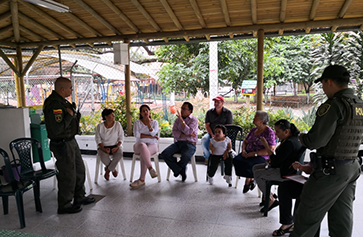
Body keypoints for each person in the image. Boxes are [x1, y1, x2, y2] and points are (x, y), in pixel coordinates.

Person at [290, 65, 363, 237]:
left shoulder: (334, 105)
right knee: (341, 219)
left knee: (306, 218)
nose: (323, 88)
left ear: (329, 81)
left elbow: (316, 141)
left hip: (330, 171)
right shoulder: (359, 104)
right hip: (351, 167)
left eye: (323, 84)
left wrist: (300, 136)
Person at [43, 77, 95, 214]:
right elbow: (56, 129)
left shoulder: (62, 102)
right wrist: (69, 115)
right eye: (70, 88)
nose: (72, 90)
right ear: (62, 89)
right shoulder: (54, 104)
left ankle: (79, 197)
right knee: (68, 174)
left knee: (79, 170)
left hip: (70, 141)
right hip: (62, 144)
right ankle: (64, 204)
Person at [253, 119, 304, 213]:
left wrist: (267, 147)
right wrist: (272, 158)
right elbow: (281, 158)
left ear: (286, 131)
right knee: (255, 168)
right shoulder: (290, 138)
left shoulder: (290, 143)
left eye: (277, 131)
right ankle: (269, 195)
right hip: (284, 166)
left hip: (286, 173)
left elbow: (276, 162)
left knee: (258, 174)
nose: (276, 134)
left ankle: (271, 199)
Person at [233, 111, 276, 193]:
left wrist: (255, 153)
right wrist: (243, 150)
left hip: (261, 156)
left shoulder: (269, 132)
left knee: (250, 165)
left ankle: (249, 180)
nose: (253, 119)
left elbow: (270, 149)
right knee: (236, 160)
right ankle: (251, 179)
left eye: (255, 118)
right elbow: (245, 141)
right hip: (248, 153)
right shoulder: (253, 130)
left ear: (262, 121)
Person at [159, 102, 198, 181]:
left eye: (184, 109)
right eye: (181, 108)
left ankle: (178, 169)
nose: (182, 110)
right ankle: (179, 169)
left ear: (190, 111)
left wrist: (182, 121)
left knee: (186, 156)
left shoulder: (194, 120)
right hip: (179, 143)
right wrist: (187, 134)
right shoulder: (177, 120)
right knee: (165, 154)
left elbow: (188, 131)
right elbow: (175, 133)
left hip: (190, 144)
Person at [130, 105, 159, 188]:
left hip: (152, 145)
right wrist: (150, 137)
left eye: (147, 110)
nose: (145, 112)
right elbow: (137, 135)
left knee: (144, 154)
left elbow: (154, 133)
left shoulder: (154, 123)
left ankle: (141, 180)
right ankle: (150, 168)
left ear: (149, 111)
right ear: (140, 113)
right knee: (143, 147)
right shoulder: (137, 123)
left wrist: (149, 124)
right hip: (139, 145)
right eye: (143, 111)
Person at [201, 96, 233, 165]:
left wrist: (221, 135)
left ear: (222, 103)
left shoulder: (228, 113)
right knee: (204, 139)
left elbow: (229, 127)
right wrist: (212, 134)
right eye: (215, 102)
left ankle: (220, 157)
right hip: (212, 133)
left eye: (218, 102)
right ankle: (208, 157)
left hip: (223, 135)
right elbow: (207, 125)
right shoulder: (209, 112)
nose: (216, 103)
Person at [95, 108, 124, 181]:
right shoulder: (100, 126)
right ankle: (113, 169)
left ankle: (107, 170)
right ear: (106, 117)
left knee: (119, 154)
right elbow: (98, 139)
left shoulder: (117, 124)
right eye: (111, 115)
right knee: (103, 157)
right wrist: (104, 149)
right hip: (103, 147)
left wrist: (117, 147)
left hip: (115, 146)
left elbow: (121, 137)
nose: (114, 116)